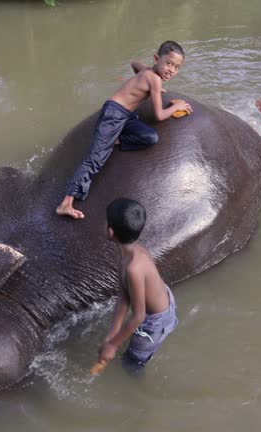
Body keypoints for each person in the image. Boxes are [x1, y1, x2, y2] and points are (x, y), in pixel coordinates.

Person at [56, 41, 193, 219]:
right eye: (168, 63)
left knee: (150, 137)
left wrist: (146, 76)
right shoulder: (154, 79)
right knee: (95, 159)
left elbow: (134, 63)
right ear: (156, 58)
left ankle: (115, 140)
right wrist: (176, 106)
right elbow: (159, 115)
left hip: (125, 115)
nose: (171, 70)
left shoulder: (149, 73)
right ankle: (65, 203)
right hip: (113, 114)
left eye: (177, 67)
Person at [97, 198, 178, 371]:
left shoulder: (133, 268)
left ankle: (133, 376)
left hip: (154, 322)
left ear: (110, 232)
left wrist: (113, 346)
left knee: (131, 363)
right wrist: (112, 335)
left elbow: (139, 316)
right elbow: (124, 296)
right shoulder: (129, 252)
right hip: (162, 300)